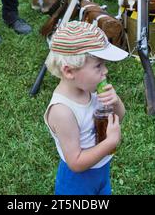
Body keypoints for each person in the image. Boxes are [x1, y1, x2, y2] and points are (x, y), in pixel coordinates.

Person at [44, 21, 127, 195]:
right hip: (77, 184)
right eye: (98, 66)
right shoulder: (63, 111)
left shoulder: (90, 90)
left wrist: (116, 101)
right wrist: (110, 142)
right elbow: (75, 162)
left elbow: (119, 116)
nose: (105, 71)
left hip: (101, 172)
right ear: (69, 71)